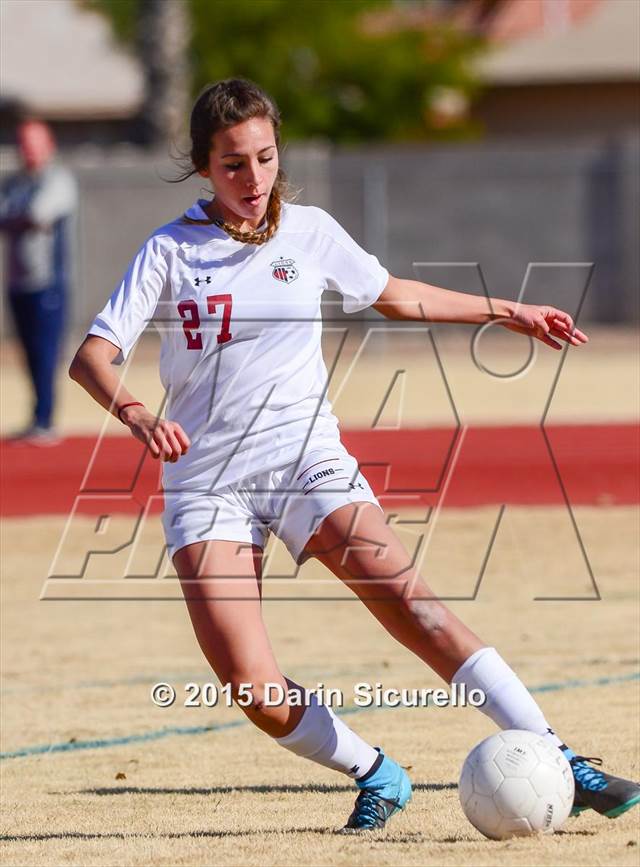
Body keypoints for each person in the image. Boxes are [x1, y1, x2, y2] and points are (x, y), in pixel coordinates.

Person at [68, 79, 639, 832]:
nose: (253, 179)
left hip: (304, 455)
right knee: (250, 686)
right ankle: (377, 771)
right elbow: (93, 357)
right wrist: (137, 412)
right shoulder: (169, 249)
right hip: (207, 482)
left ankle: (563, 759)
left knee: (412, 601)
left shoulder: (308, 230)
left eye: (265, 158)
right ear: (204, 166)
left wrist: (508, 311)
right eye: (233, 164)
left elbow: (395, 296)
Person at [0, 118, 78, 444]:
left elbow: (38, 213)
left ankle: (46, 419)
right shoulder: (15, 183)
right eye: (23, 143)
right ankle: (36, 416)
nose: (28, 150)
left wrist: (19, 216)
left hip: (50, 283)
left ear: (48, 146)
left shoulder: (58, 180)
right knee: (28, 352)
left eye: (34, 143)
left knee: (46, 351)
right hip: (19, 282)